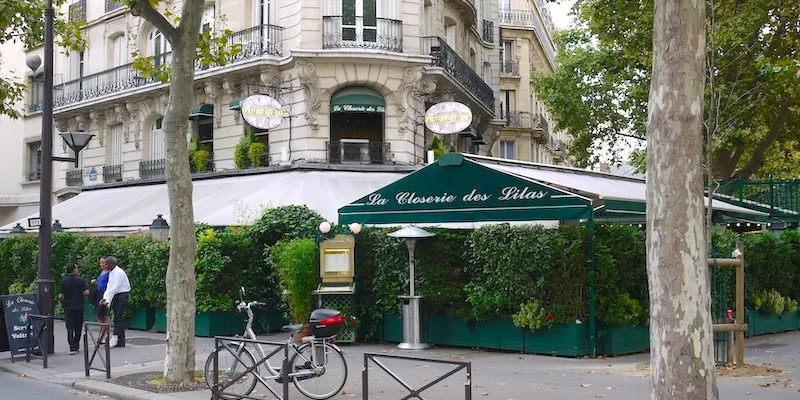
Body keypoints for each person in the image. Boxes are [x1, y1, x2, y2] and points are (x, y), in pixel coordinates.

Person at [100, 256, 131, 348]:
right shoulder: (112, 272)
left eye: (106, 264)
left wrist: (107, 301)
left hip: (122, 295)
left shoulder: (118, 273)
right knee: (118, 317)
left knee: (118, 317)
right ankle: (120, 341)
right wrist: (105, 299)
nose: (105, 266)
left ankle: (115, 338)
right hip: (117, 295)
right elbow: (109, 287)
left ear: (111, 264)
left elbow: (114, 288)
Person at [58, 263, 89, 354]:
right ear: (74, 270)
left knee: (70, 327)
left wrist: (63, 304)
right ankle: (76, 344)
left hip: (68, 306)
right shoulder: (81, 281)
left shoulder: (64, 281)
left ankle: (72, 347)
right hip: (79, 306)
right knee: (78, 326)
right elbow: (86, 292)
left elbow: (60, 296)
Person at [90, 256, 111, 341]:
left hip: (104, 294)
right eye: (100, 263)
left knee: (104, 315)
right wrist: (95, 282)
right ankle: (103, 333)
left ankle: (105, 335)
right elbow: (100, 283)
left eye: (103, 263)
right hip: (98, 294)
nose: (101, 265)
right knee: (99, 315)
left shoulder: (109, 273)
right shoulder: (102, 272)